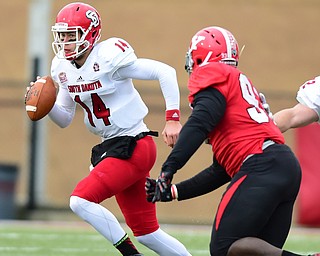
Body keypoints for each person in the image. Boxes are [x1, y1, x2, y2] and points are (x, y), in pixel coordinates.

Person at [25, 2, 191, 256]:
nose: (65, 41)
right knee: (148, 234)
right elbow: (65, 117)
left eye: (72, 35)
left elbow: (164, 71)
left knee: (79, 200)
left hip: (133, 143)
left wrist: (172, 118)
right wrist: (43, 106)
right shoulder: (62, 67)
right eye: (62, 35)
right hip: (114, 146)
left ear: (90, 34)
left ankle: (129, 254)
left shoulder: (109, 57)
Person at [146, 26, 320, 256]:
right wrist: (174, 191)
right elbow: (221, 170)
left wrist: (168, 170)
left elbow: (199, 123)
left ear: (200, 56)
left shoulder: (211, 75)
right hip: (283, 166)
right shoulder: (236, 89)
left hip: (261, 166)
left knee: (224, 248)